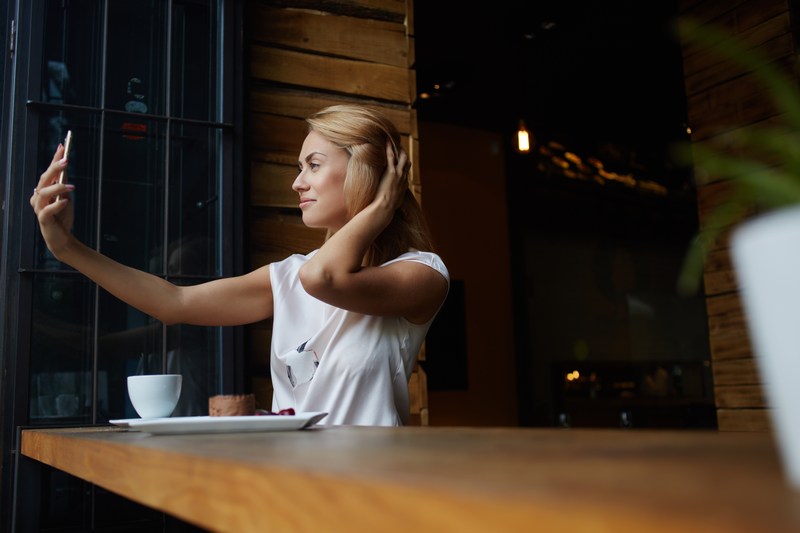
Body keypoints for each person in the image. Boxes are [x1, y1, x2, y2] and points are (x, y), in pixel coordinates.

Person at [30, 104, 450, 426]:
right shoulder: (288, 277)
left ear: (365, 172)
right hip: (289, 492)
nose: (297, 182)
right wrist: (67, 247)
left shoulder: (422, 273)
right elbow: (173, 302)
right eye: (298, 167)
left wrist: (380, 208)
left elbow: (324, 278)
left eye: (314, 166)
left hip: (370, 493)